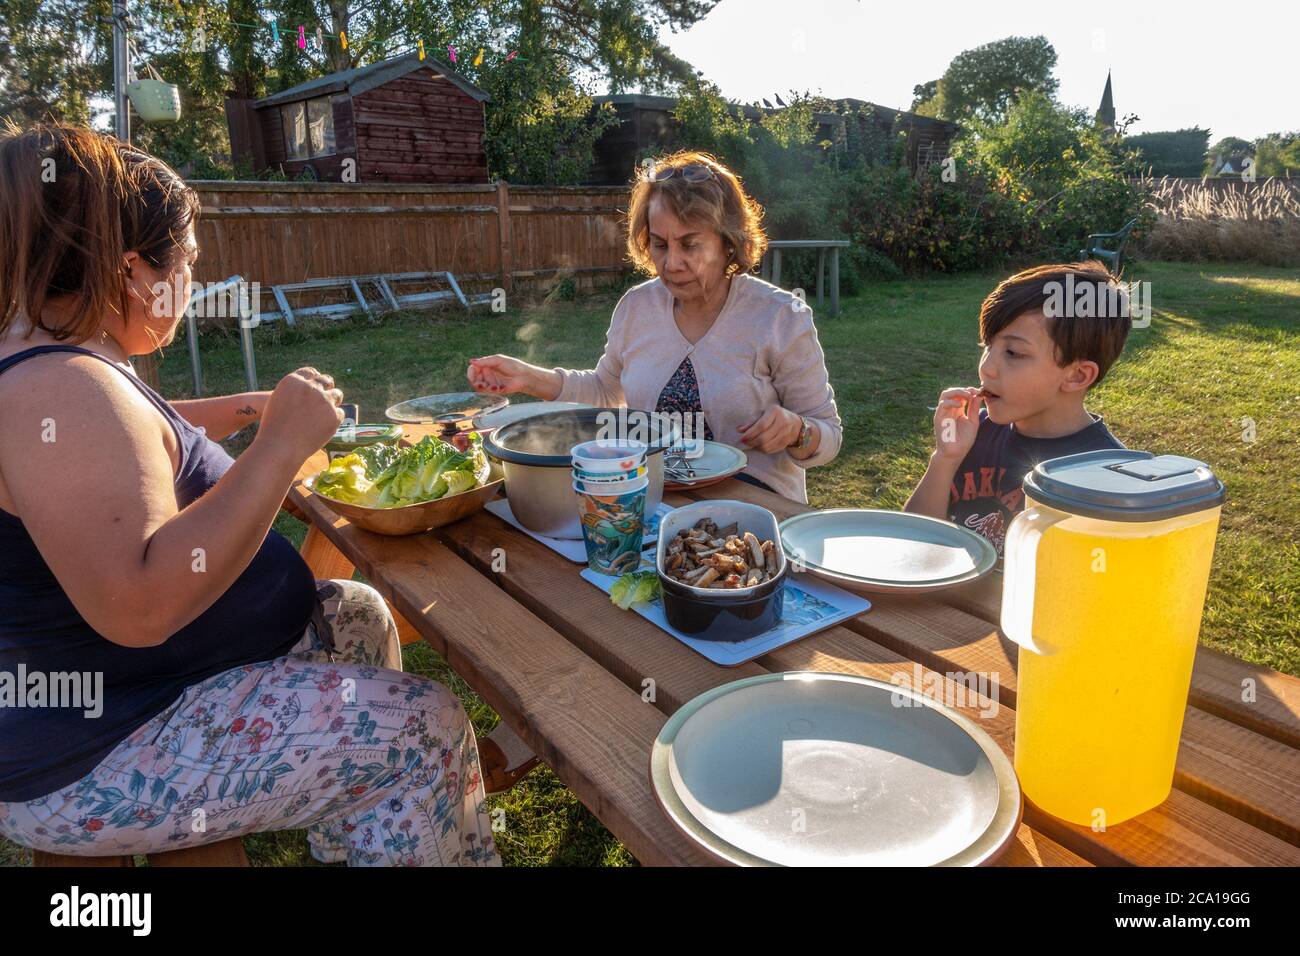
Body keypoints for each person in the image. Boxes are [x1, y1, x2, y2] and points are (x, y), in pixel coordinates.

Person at [0, 123, 497, 866]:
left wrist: (239, 409)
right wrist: (280, 448)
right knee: (422, 729)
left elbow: (131, 445)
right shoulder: (62, 389)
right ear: (133, 271)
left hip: (134, 699)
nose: (192, 282)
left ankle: (364, 832)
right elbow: (139, 605)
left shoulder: (56, 363)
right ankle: (394, 799)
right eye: (189, 264)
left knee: (354, 615)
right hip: (109, 744)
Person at [467, 150, 841, 505]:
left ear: (729, 242)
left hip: (755, 505)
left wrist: (798, 431)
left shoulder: (780, 316)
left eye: (690, 244)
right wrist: (527, 378)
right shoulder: (637, 306)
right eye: (660, 244)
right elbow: (606, 391)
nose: (671, 262)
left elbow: (828, 436)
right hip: (649, 496)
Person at [904, 261, 1130, 555]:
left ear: (1076, 375)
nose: (987, 368)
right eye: (987, 346)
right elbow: (912, 540)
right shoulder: (977, 433)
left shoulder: (1107, 474)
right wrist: (945, 458)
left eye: (1013, 353)